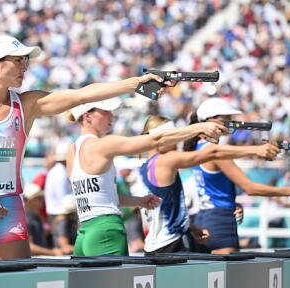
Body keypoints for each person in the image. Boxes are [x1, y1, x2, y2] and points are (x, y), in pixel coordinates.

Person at [0, 34, 167, 262]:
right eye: (18, 61)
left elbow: (81, 96)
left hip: (8, 209)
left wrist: (136, 83)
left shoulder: (27, 104)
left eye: (26, 61)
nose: (25, 67)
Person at [65, 98, 228, 256]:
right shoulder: (102, 144)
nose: (111, 116)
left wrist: (139, 201)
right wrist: (199, 128)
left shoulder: (72, 151)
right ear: (87, 116)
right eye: (106, 111)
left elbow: (99, 197)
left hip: (85, 232)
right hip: (106, 230)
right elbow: (156, 140)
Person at [185, 98, 290, 254]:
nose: (230, 122)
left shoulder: (198, 148)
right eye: (225, 119)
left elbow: (213, 189)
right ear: (209, 121)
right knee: (228, 277)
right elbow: (250, 188)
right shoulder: (215, 151)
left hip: (205, 219)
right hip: (220, 223)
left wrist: (231, 203)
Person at [139, 115, 280, 255]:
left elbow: (165, 210)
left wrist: (190, 227)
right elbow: (213, 152)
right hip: (172, 245)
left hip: (154, 246)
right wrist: (255, 150)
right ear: (161, 138)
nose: (177, 142)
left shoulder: (145, 166)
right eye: (173, 136)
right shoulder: (165, 160)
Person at [23, 183, 61, 256]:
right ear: (28, 200)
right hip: (33, 263)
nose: (42, 200)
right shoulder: (26, 219)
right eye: (38, 198)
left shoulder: (35, 216)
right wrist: (52, 252)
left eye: (42, 197)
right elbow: (28, 246)